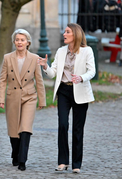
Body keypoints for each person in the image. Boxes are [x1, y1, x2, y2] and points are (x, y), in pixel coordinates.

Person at [38, 23, 96, 174]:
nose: (64, 34)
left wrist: (81, 78)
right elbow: (53, 73)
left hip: (80, 91)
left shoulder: (87, 51)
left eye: (67, 32)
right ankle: (63, 161)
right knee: (63, 125)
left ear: (75, 34)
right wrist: (45, 66)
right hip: (63, 90)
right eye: (64, 31)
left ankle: (76, 164)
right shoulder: (60, 51)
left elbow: (92, 71)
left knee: (78, 129)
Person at [0, 29, 46, 171]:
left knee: (25, 128)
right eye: (17, 39)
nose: (19, 42)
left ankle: (23, 160)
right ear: (14, 42)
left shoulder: (34, 58)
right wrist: (1, 99)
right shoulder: (7, 58)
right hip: (12, 96)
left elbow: (39, 80)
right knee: (14, 130)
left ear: (28, 42)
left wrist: (42, 100)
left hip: (29, 97)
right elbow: (2, 80)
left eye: (22, 40)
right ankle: (15, 154)